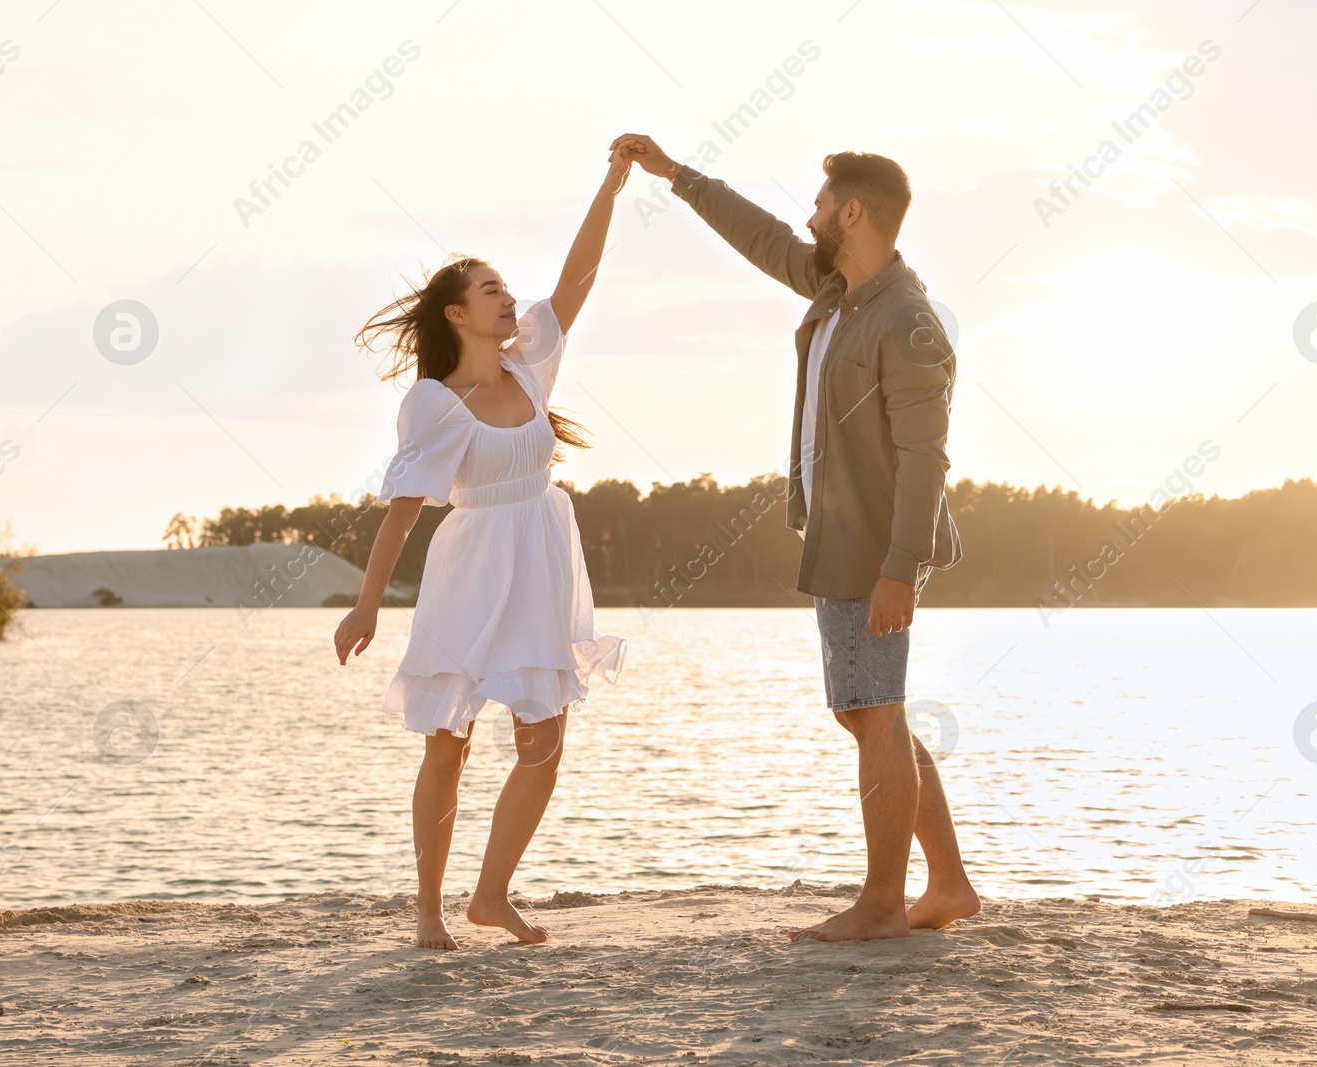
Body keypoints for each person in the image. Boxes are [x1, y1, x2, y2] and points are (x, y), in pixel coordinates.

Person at [611, 133, 979, 942]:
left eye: (819, 205)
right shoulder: (837, 288)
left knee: (872, 712)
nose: (807, 217)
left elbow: (926, 458)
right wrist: (677, 176)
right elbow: (762, 237)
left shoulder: (908, 321)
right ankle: (947, 881)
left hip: (875, 550)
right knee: (872, 711)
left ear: (852, 212)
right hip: (841, 539)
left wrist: (900, 569)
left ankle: (883, 902)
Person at [333, 147, 635, 949]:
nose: (509, 298)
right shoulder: (435, 402)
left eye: (507, 287)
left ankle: (490, 895)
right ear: (456, 315)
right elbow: (401, 513)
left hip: (539, 553)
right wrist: (367, 603)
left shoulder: (531, 367)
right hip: (472, 566)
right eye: (490, 289)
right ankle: (430, 908)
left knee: (545, 738)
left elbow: (578, 280)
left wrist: (610, 186)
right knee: (450, 739)